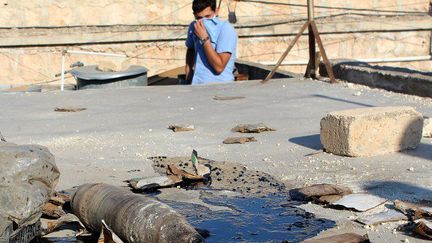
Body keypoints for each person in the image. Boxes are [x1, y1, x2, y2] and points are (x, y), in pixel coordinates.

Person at [185, 0, 238, 85]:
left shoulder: (226, 29)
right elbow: (191, 49)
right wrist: (188, 72)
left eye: (208, 16)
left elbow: (219, 67)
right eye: (199, 18)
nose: (203, 22)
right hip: (196, 85)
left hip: (219, 87)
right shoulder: (194, 26)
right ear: (194, 15)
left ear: (216, 11)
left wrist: (204, 39)